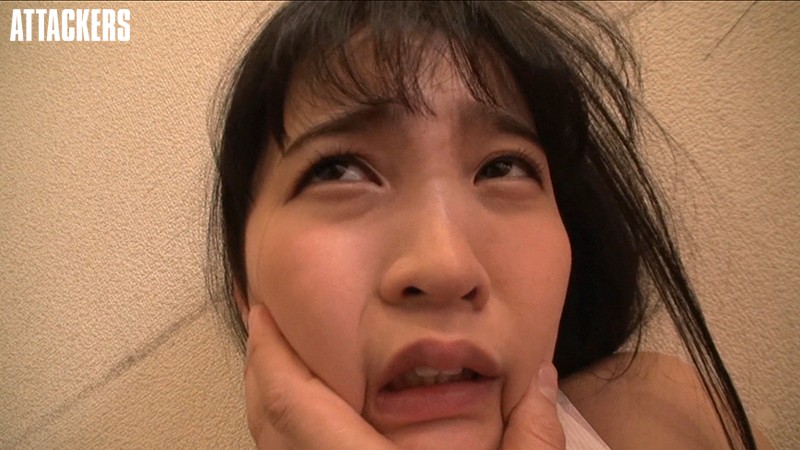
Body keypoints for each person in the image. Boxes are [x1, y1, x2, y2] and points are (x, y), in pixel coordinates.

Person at [206, 2, 771, 449]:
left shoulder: (672, 417)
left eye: (502, 167)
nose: (446, 267)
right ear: (245, 293)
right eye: (338, 171)